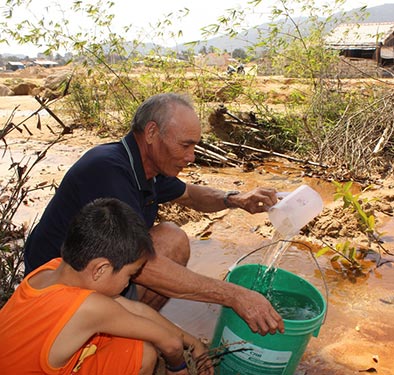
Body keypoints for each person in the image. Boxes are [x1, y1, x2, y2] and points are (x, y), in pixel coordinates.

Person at [24, 92, 284, 336]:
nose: (191, 156)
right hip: (55, 291)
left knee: (172, 237)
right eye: (185, 145)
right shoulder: (107, 170)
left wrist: (236, 199)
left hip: (94, 275)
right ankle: (121, 339)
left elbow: (190, 195)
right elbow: (142, 265)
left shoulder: (148, 168)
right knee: (161, 249)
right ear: (151, 132)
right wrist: (235, 295)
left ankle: (135, 332)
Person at [0, 198, 211, 375]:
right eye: (130, 275)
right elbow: (171, 344)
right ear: (100, 269)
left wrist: (194, 343)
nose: (129, 283)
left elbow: (136, 310)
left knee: (133, 349)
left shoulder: (53, 269)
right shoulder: (89, 308)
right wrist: (178, 368)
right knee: (142, 353)